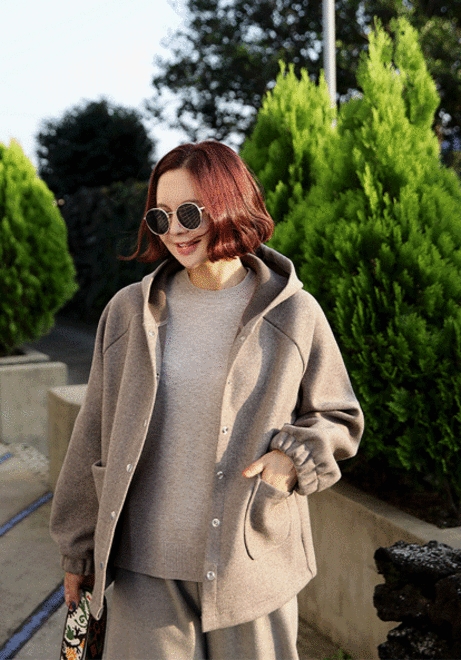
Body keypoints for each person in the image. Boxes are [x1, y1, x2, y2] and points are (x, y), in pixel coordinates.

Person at [50, 140, 364, 660]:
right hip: (144, 568)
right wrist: (77, 551)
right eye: (160, 216)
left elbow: (339, 416)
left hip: (251, 564)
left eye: (190, 213)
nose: (175, 230)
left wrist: (292, 458)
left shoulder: (294, 314)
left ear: (229, 205)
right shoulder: (129, 313)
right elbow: (94, 432)